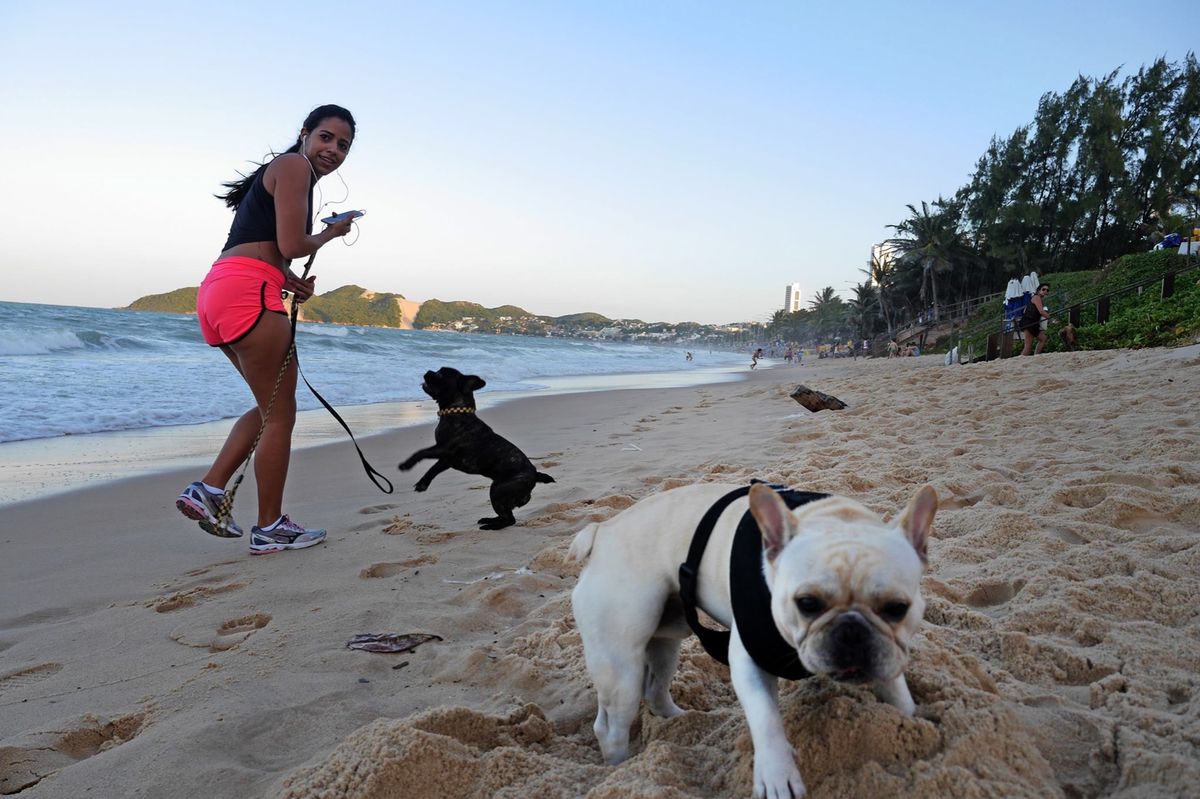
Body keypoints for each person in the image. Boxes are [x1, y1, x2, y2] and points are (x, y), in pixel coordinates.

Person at [175, 104, 359, 555]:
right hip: (248, 294)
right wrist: (332, 234)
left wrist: (286, 278)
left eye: (343, 145)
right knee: (281, 414)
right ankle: (270, 525)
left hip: (221, 291)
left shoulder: (282, 172)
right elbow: (293, 243)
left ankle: (211, 488)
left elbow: (270, 250)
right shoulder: (294, 165)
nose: (333, 149)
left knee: (269, 405)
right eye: (326, 137)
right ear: (304, 134)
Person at [1020, 283, 1051, 356]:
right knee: (1028, 347)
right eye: (1043, 289)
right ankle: (1018, 362)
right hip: (1029, 322)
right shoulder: (1036, 297)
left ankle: (1036, 356)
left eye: (1047, 290)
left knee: (1043, 338)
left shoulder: (1039, 299)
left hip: (1033, 323)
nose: (1045, 291)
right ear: (1038, 290)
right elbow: (1041, 311)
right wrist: (1051, 319)